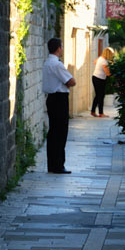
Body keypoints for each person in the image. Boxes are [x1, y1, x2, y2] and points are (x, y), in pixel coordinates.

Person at [42, 37, 76, 174]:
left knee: (53, 131)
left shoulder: (47, 63)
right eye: (61, 47)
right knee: (61, 132)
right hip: (60, 99)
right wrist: (67, 82)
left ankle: (52, 164)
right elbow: (71, 81)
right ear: (58, 48)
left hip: (51, 98)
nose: (62, 49)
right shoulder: (57, 64)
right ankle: (58, 165)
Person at [91, 46, 114, 118]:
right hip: (99, 79)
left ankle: (93, 111)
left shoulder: (100, 58)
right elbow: (108, 74)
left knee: (98, 95)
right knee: (100, 96)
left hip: (95, 77)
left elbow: (94, 62)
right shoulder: (104, 62)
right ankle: (101, 113)